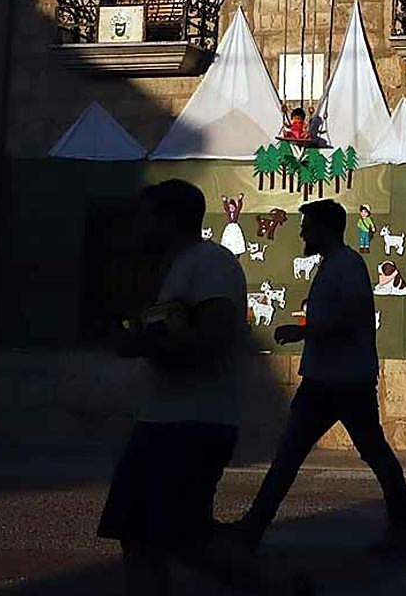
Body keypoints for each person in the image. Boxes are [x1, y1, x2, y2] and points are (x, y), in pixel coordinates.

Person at [97, 179, 309, 596]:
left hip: (192, 423)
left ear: (169, 220)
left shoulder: (210, 262)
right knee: (137, 534)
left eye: (146, 219)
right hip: (161, 420)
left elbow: (215, 337)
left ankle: (278, 590)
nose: (138, 230)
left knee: (185, 537)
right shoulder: (172, 269)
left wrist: (147, 344)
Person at [221, 199, 406, 554]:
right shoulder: (333, 266)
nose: (302, 233)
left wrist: (304, 332)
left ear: (326, 230)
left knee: (365, 451)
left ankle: (404, 524)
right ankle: (253, 527)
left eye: (307, 227)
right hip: (326, 378)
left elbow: (354, 317)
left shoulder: (347, 265)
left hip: (345, 381)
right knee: (292, 454)